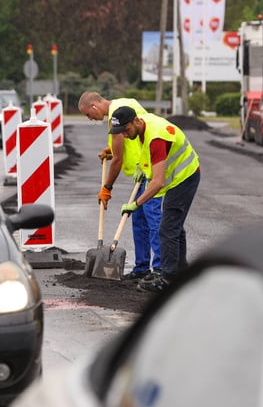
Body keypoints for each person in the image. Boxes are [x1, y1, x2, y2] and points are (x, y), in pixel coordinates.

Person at [110, 106, 201, 293]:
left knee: (168, 229)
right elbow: (149, 157)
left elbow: (158, 182)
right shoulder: (142, 126)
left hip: (185, 176)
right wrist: (141, 167)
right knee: (175, 227)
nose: (124, 135)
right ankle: (180, 273)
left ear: (136, 121)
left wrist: (136, 204)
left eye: (126, 130)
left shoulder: (156, 138)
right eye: (121, 132)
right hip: (177, 178)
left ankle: (167, 280)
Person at [78, 91, 162, 281]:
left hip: (150, 169)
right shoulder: (126, 102)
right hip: (143, 169)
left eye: (88, 114)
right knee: (139, 219)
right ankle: (142, 268)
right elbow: (133, 136)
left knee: (152, 218)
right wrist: (113, 147)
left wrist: (107, 188)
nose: (90, 119)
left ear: (94, 106)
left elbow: (118, 159)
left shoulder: (115, 117)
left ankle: (159, 269)